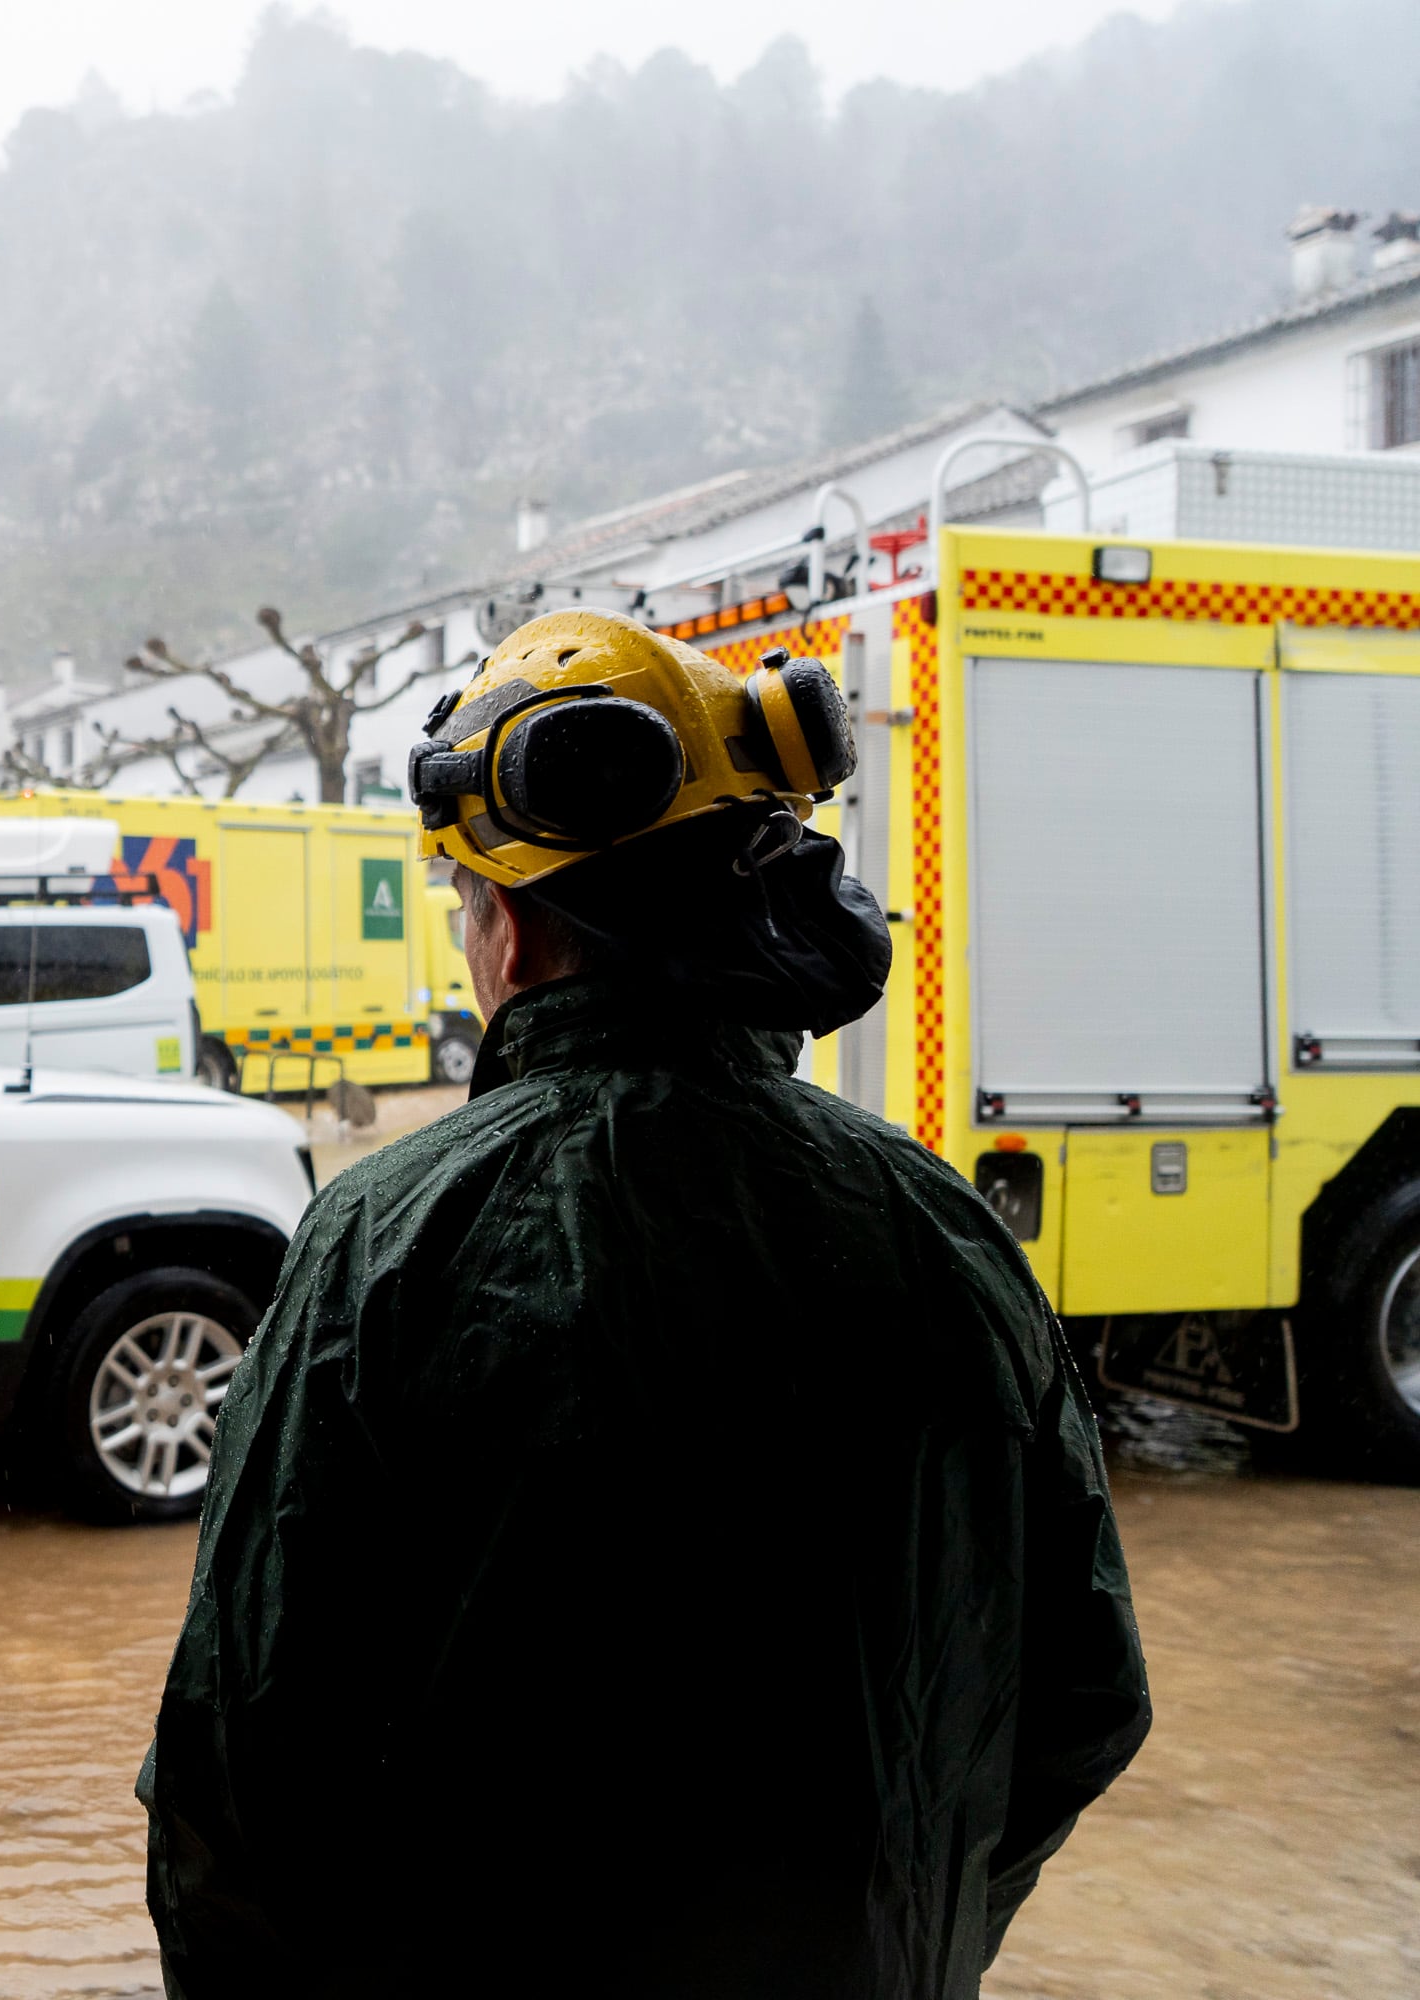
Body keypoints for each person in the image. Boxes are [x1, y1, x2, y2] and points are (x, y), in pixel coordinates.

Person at [141, 609, 1149, 1997]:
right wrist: (908, 1930)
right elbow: (1086, 1697)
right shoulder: (943, 1232)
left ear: (508, 932)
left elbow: (241, 1781)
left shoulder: (382, 1245)